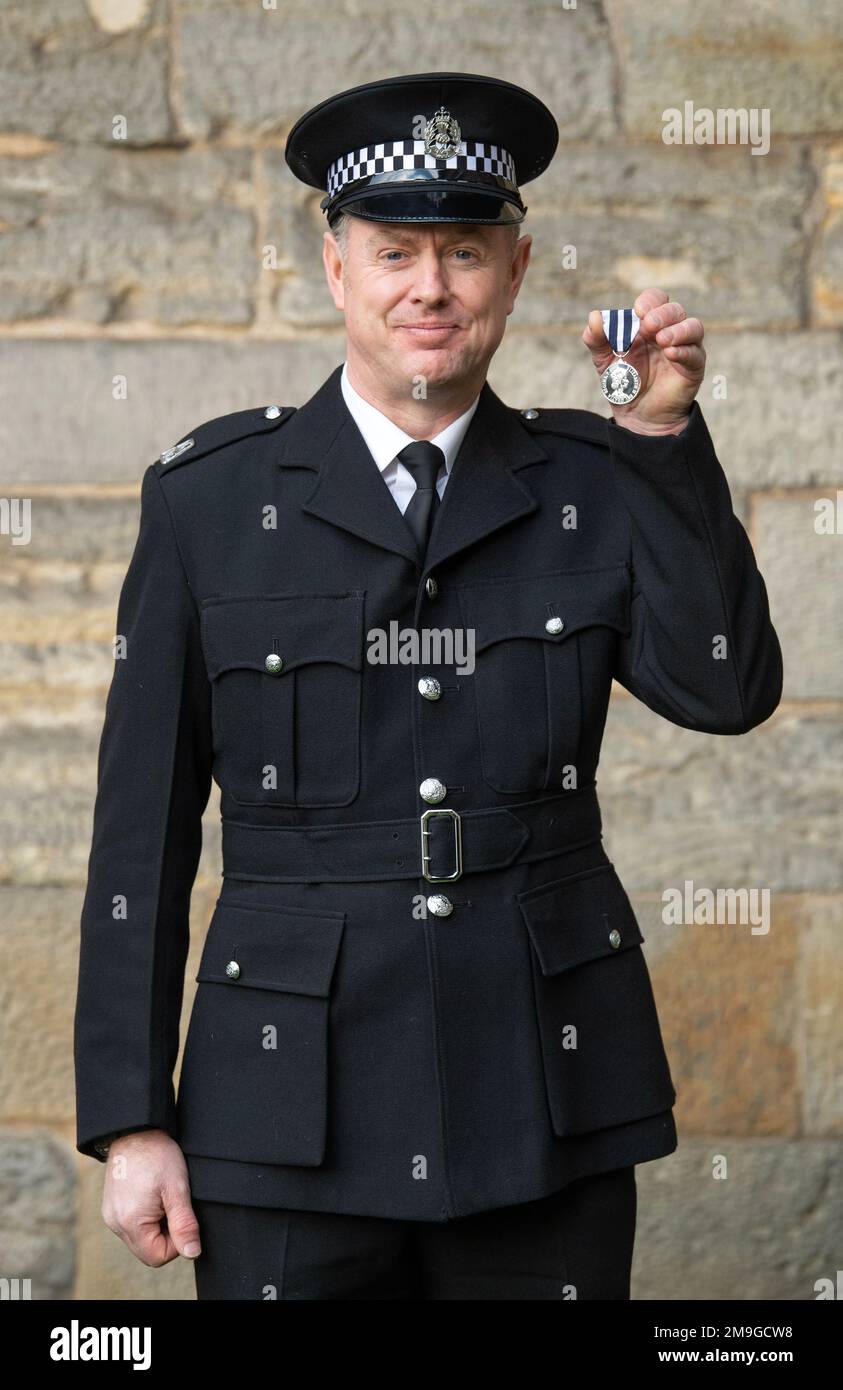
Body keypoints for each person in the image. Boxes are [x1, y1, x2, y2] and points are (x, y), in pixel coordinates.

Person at [73, 71, 783, 1300]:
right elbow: (139, 839)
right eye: (396, 252)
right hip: (285, 1114)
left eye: (465, 251)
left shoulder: (597, 475)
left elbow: (725, 689)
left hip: (540, 1105)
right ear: (338, 267)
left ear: (515, 270)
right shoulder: (207, 502)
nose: (431, 288)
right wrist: (130, 1118)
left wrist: (663, 443)